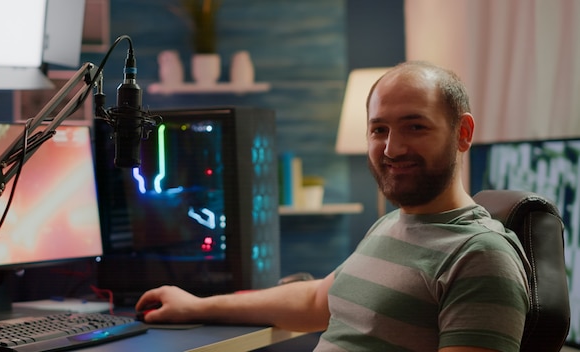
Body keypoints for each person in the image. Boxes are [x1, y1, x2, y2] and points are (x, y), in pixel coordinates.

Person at [135, 61, 530, 352]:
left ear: (462, 134)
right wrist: (196, 306)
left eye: (416, 126)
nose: (392, 148)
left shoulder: (480, 256)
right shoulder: (391, 224)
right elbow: (313, 301)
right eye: (379, 129)